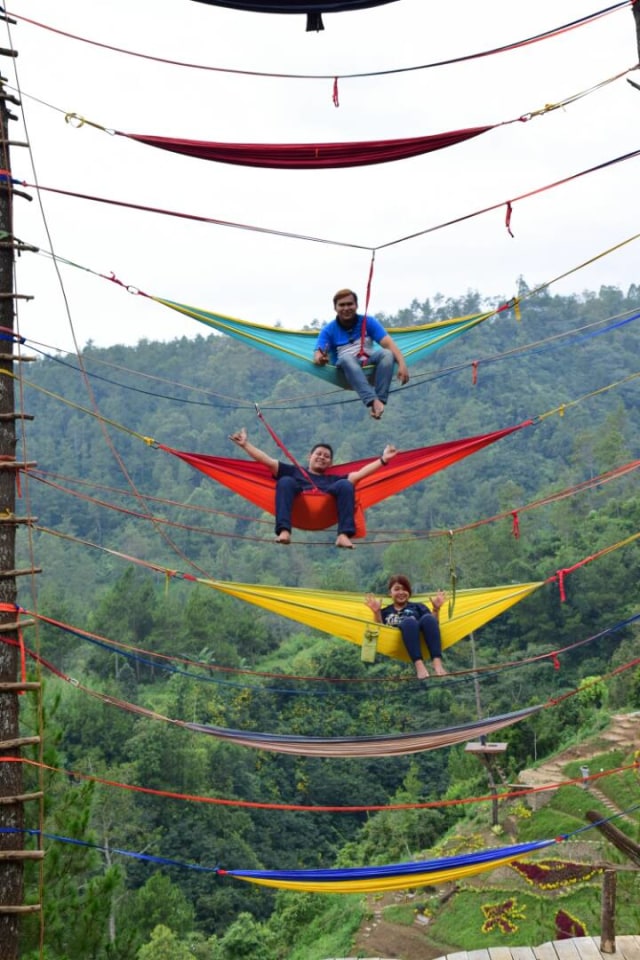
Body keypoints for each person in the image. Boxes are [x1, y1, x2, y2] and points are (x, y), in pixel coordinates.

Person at [229, 427, 398, 548]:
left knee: (347, 484)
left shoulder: (333, 479)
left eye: (326, 456)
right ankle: (284, 531)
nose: (322, 458)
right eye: (318, 454)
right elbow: (266, 460)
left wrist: (384, 460)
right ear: (310, 456)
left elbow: (360, 474)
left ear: (331, 463)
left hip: (325, 511)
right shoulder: (294, 471)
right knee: (285, 481)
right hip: (299, 508)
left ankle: (343, 535)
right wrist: (245, 445)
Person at [313, 288, 410, 419]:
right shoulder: (328, 330)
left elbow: (389, 344)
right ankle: (372, 401)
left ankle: (379, 400)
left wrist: (402, 364)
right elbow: (317, 356)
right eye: (341, 305)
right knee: (347, 358)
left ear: (356, 306)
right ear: (335, 308)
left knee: (387, 354)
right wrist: (321, 359)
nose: (346, 308)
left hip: (368, 365)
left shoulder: (368, 322)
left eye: (349, 304)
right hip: (346, 371)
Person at [365, 574, 447, 679]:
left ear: (409, 592)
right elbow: (380, 632)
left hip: (418, 639)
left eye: (405, 589)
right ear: (390, 593)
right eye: (397, 589)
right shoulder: (385, 612)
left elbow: (432, 626)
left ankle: (437, 662)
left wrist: (436, 609)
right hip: (397, 641)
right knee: (409, 622)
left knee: (427, 618)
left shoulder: (418, 607)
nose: (401, 592)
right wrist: (377, 613)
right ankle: (419, 665)